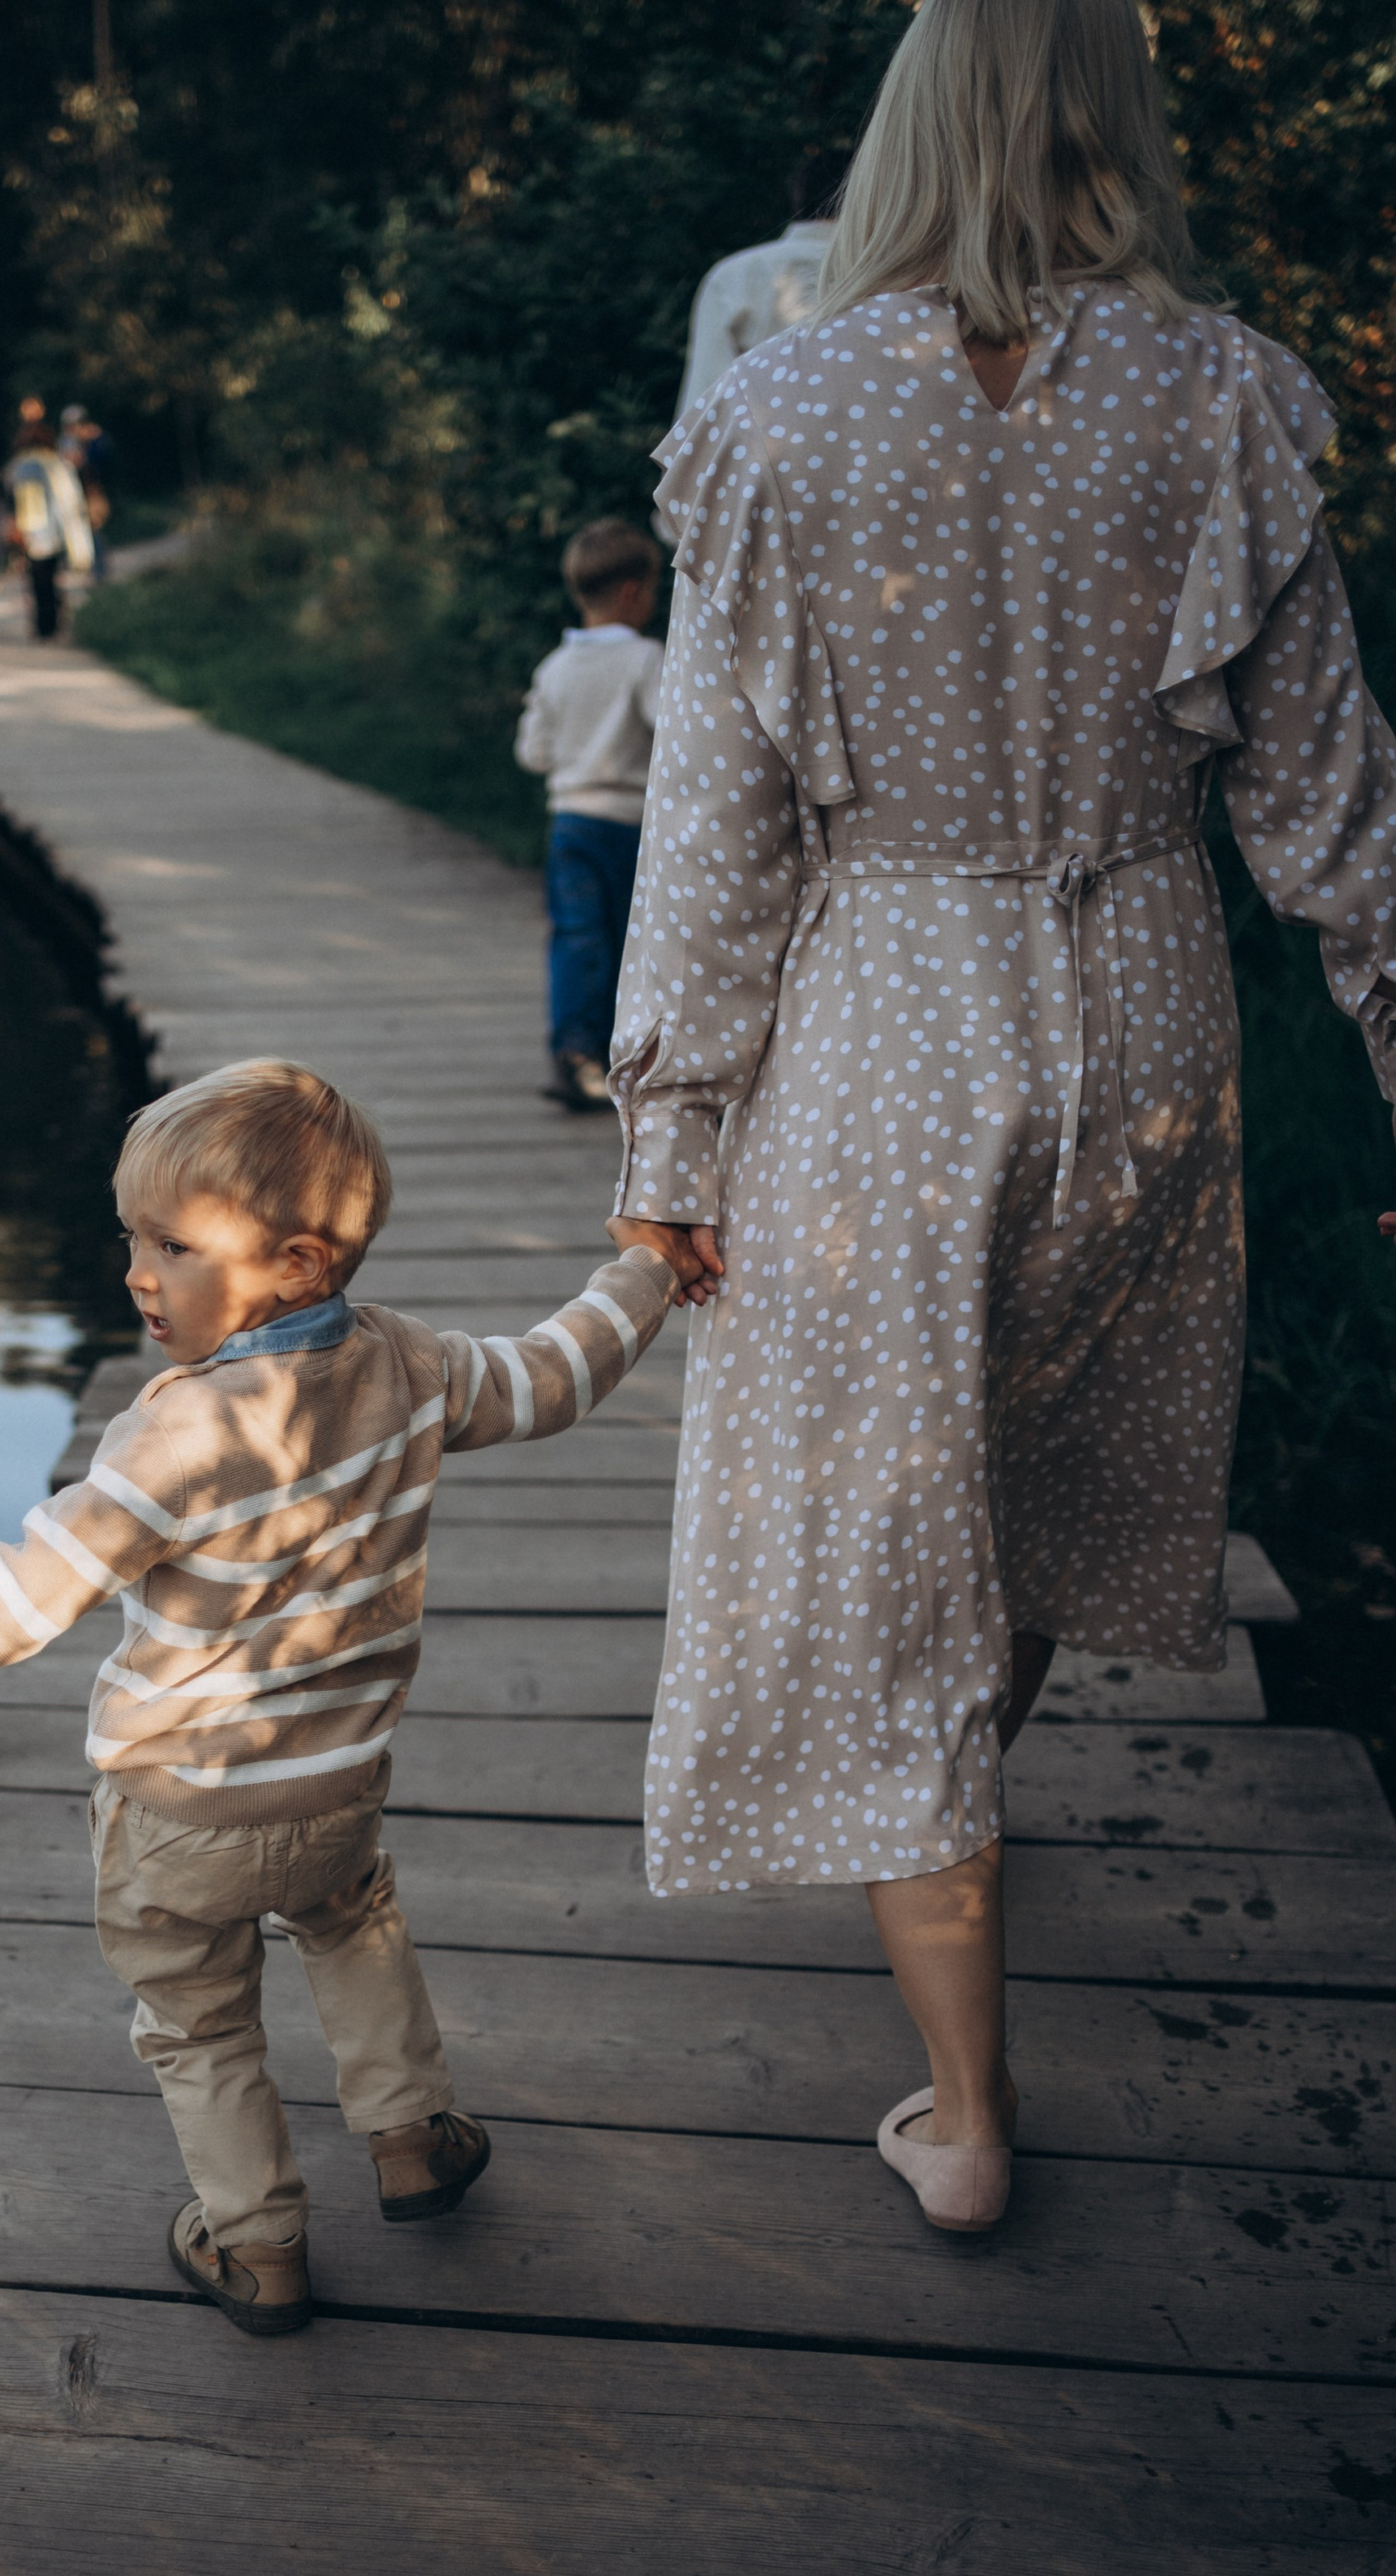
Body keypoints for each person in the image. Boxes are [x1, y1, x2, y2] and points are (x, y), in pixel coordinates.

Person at [605, 0, 1396, 2238]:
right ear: (1112, 115)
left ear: (913, 120)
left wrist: (670, 1154)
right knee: (1034, 1497)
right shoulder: (1223, 393)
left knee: (880, 1566)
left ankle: (967, 2115)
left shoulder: (778, 409)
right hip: (1144, 1013)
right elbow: (1339, 803)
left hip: (886, 1029)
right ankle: (949, 1787)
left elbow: (717, 826)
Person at [0, 1060, 690, 2334]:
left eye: (173, 1247)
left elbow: (25, 1594)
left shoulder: (176, 1434)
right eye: (132, 1238)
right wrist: (648, 1270)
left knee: (197, 2024)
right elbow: (551, 1376)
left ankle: (257, 2246)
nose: (138, 1272)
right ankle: (411, 2140)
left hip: (177, 1806)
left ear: (296, 1264)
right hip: (337, 1780)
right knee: (352, 1926)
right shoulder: (410, 1364)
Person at [514, 520, 663, 1112]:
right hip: (630, 827)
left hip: (571, 823)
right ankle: (626, 1055)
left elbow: (533, 753)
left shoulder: (555, 667)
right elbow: (674, 735)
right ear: (632, 591)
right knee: (633, 941)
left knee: (578, 936)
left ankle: (573, 1053)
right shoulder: (646, 659)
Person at [672, 148, 852, 423]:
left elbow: (704, 404)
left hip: (760, 459)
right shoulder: (900, 279)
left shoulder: (734, 276)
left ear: (798, 197)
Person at [1, 398, 94, 641]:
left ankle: (44, 624)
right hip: (55, 532)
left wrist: (13, 527)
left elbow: (10, 499)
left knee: (37, 580)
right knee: (52, 577)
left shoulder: (17, 467)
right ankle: (53, 619)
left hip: (32, 532)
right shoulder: (57, 464)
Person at [59, 402, 114, 578]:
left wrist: (93, 440)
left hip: (91, 491)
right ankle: (88, 569)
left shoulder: (94, 439)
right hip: (71, 493)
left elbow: (102, 460)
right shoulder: (65, 442)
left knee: (94, 529)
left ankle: (99, 571)